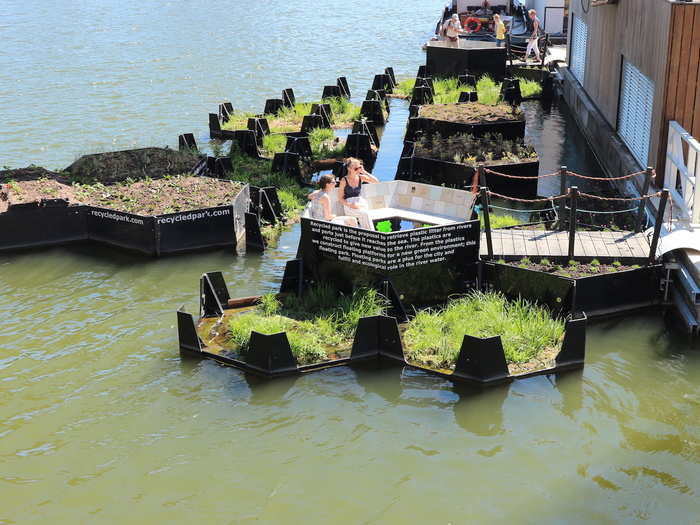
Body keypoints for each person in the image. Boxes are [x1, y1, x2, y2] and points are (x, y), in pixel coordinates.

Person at [337, 157, 379, 230]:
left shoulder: (360, 177)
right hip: (349, 204)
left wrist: (364, 171)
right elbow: (340, 199)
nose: (358, 170)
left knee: (365, 215)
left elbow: (376, 181)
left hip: (360, 202)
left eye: (359, 167)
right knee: (365, 214)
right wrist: (350, 205)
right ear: (349, 169)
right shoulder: (344, 180)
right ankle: (372, 233)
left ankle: (367, 233)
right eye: (356, 169)